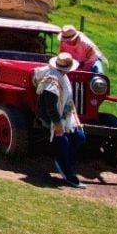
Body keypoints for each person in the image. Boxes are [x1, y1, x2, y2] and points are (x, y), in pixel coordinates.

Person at [34, 52, 86, 188]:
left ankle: (63, 160)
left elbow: (68, 102)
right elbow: (50, 107)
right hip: (51, 117)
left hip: (65, 116)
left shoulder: (64, 77)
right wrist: (57, 124)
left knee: (80, 136)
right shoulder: (52, 80)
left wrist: (75, 120)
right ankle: (68, 172)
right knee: (63, 141)